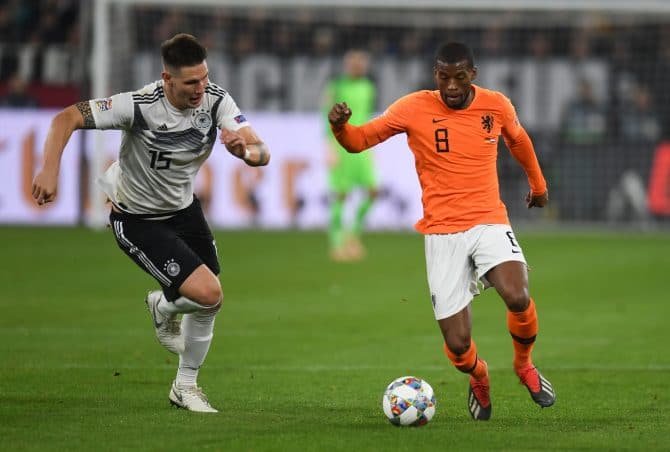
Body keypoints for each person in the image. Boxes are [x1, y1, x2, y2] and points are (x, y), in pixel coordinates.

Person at [31, 33, 270, 413]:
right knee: (209, 294)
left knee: (207, 299)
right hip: (136, 218)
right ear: (167, 78)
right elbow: (67, 118)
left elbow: (262, 151)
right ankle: (185, 377)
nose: (200, 89)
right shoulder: (138, 106)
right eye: (191, 82)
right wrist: (48, 170)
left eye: (204, 78)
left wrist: (245, 151)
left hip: (184, 211)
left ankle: (168, 325)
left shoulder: (217, 100)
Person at [328, 42, 555, 420]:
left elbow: (518, 140)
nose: (451, 85)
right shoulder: (412, 107)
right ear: (436, 75)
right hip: (442, 232)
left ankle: (524, 365)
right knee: (458, 344)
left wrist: (539, 185)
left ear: (473, 76)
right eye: (444, 77)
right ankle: (479, 376)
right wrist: (339, 126)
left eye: (459, 77)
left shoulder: (496, 105)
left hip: (489, 220)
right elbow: (359, 140)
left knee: (517, 294)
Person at [322, 50, 379, 261]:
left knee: (373, 191)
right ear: (347, 65)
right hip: (340, 146)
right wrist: (329, 146)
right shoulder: (336, 86)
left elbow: (366, 117)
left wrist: (371, 147)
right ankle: (337, 243)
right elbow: (324, 117)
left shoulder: (368, 87)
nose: (358, 66)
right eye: (354, 63)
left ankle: (352, 235)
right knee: (341, 195)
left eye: (361, 62)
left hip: (362, 146)